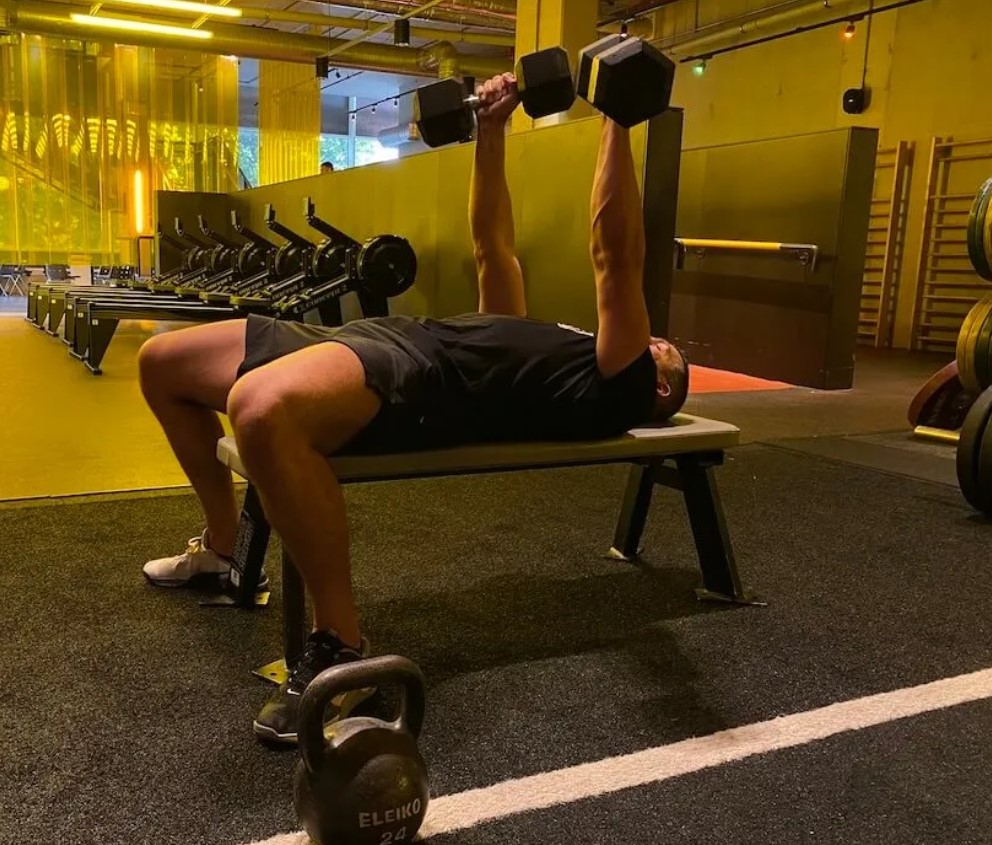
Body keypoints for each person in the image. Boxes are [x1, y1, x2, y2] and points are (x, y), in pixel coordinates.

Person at [138, 73, 689, 744]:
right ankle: (225, 550)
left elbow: (617, 258)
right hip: (389, 338)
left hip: (425, 377)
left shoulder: (619, 382)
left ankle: (343, 647)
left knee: (259, 406)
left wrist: (618, 120)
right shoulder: (549, 351)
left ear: (659, 387)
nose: (657, 339)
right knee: (162, 363)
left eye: (666, 351)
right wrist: (490, 133)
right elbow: (494, 247)